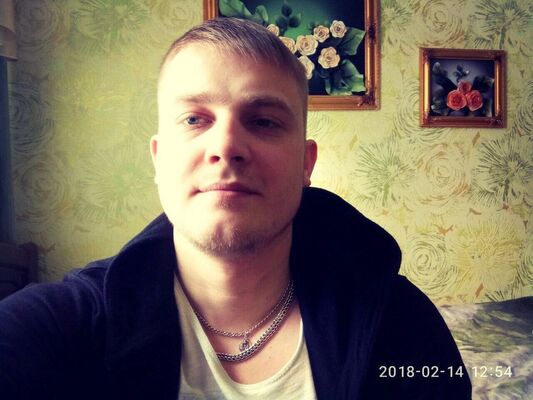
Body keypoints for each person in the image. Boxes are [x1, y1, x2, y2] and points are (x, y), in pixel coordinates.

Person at [0, 18, 471, 399]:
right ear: (159, 160)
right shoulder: (62, 326)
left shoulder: (400, 323)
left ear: (305, 164)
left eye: (263, 121)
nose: (226, 146)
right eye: (194, 119)